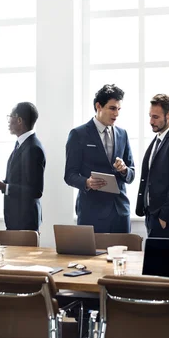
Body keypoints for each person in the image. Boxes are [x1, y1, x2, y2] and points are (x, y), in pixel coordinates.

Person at [64, 84, 135, 233]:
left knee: (123, 256)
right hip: (92, 213)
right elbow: (69, 175)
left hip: (120, 212)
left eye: (119, 109)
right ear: (98, 106)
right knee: (91, 257)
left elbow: (131, 174)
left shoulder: (123, 134)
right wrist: (87, 183)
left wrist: (124, 170)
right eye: (112, 108)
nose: (116, 114)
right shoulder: (78, 134)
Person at [0, 102, 45, 231]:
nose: (8, 121)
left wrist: (3, 186)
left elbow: (36, 191)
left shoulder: (33, 148)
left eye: (10, 116)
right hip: (16, 219)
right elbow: (19, 181)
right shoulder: (21, 144)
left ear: (19, 120)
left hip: (25, 222)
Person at [135, 94, 169, 238]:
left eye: (156, 117)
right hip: (151, 212)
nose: (150, 121)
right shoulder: (158, 139)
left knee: (161, 259)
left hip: (164, 215)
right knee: (154, 258)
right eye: (150, 116)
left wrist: (165, 216)